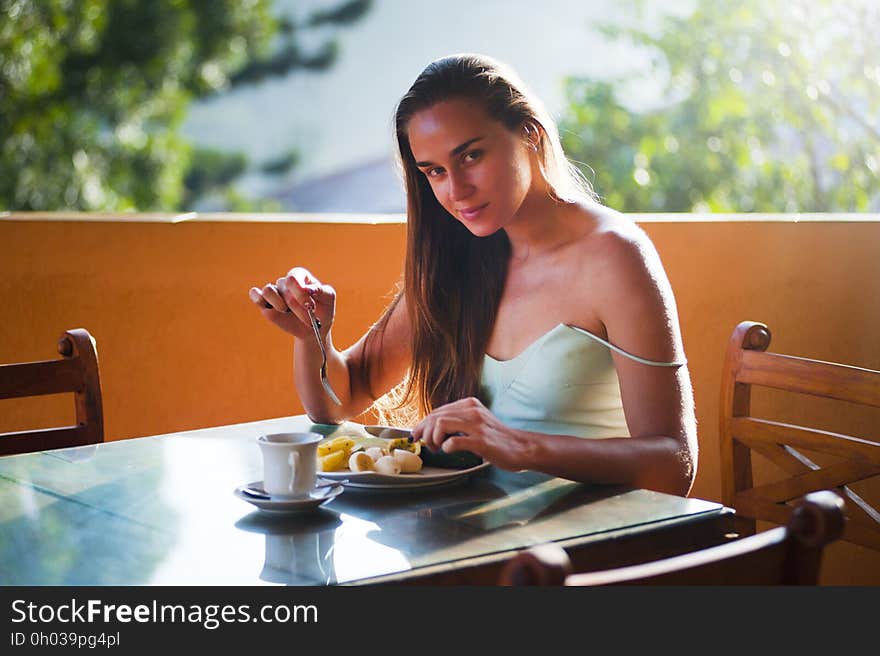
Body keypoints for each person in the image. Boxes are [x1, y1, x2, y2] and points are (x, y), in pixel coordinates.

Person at [248, 53, 698, 496]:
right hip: (476, 538)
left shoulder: (614, 256)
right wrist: (312, 337)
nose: (456, 190)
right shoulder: (457, 258)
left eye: (472, 156)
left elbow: (675, 465)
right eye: (436, 172)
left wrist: (519, 445)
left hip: (596, 549)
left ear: (530, 134)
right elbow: (343, 398)